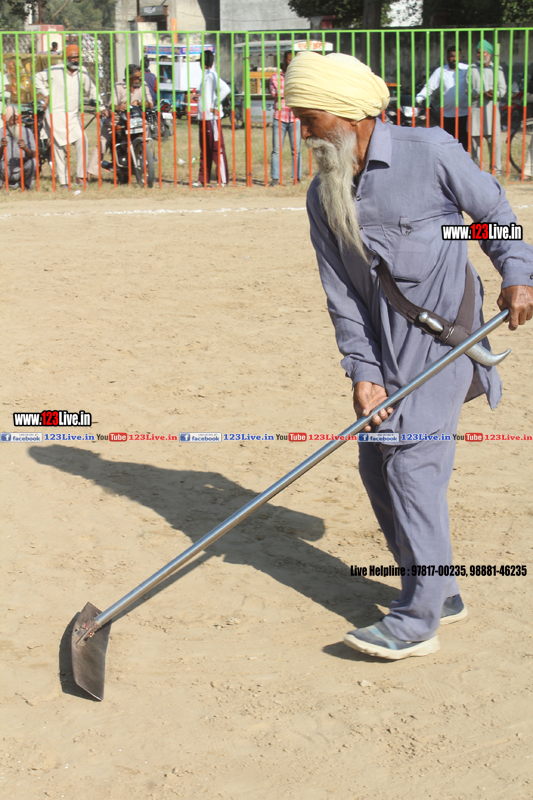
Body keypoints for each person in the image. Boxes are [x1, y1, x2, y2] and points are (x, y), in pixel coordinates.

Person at [284, 51, 533, 660]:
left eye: (311, 118)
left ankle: (416, 622)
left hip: (446, 341)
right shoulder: (324, 196)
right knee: (377, 465)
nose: (304, 130)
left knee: (410, 467)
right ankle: (440, 591)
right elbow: (342, 295)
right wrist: (363, 372)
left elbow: (489, 219)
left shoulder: (432, 152)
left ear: (348, 114)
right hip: (384, 351)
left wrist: (517, 273)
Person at [35, 44, 96, 188]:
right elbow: (36, 77)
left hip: (73, 115)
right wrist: (46, 93)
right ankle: (64, 181)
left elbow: (91, 89)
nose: (75, 60)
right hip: (55, 114)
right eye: (72, 57)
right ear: (66, 58)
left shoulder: (82, 71)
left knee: (82, 141)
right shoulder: (56, 70)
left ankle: (80, 177)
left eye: (77, 57)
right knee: (58, 147)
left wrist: (100, 104)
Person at [87, 64, 154, 180]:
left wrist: (138, 102)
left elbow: (150, 103)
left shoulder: (143, 85)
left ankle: (144, 160)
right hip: (118, 120)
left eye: (140, 77)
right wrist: (119, 107)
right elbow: (111, 105)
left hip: (136, 119)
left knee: (146, 130)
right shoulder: (118, 86)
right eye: (137, 77)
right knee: (103, 143)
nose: (140, 79)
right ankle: (87, 175)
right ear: (129, 77)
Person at [415, 46, 469, 151]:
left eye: (457, 56)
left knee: (463, 144)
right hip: (447, 114)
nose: (454, 59)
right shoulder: (440, 71)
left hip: (464, 113)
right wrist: (419, 97)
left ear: (460, 57)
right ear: (447, 57)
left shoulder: (466, 69)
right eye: (452, 56)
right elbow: (430, 86)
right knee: (448, 144)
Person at [192, 50, 230, 187]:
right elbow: (208, 95)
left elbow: (226, 89)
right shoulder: (206, 76)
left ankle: (222, 179)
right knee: (204, 150)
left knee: (216, 149)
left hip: (211, 118)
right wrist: (199, 97)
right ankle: (203, 179)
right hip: (203, 118)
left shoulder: (212, 75)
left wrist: (215, 104)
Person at [469, 40, 507, 175]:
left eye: (483, 52)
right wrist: (481, 93)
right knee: (475, 144)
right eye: (478, 52)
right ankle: (477, 172)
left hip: (491, 111)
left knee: (494, 143)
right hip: (476, 112)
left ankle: (496, 171)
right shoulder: (472, 69)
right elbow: (467, 89)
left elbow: (503, 89)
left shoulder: (497, 69)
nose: (480, 55)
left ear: (489, 54)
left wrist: (494, 94)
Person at [269, 50, 301, 186]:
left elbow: (300, 93)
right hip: (279, 117)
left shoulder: (299, 77)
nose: (292, 62)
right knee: (276, 150)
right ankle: (275, 178)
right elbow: (275, 93)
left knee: (296, 150)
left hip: (295, 118)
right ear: (284, 61)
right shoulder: (275, 77)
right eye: (289, 59)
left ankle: (297, 178)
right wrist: (292, 91)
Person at [0, 105, 36, 189]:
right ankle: (4, 183)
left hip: (21, 169)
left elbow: (33, 155)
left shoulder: (27, 132)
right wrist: (2, 147)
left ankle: (25, 184)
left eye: (17, 119)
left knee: (33, 162)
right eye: (13, 120)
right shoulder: (1, 132)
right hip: (5, 170)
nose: (16, 122)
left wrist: (25, 148)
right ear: (7, 121)